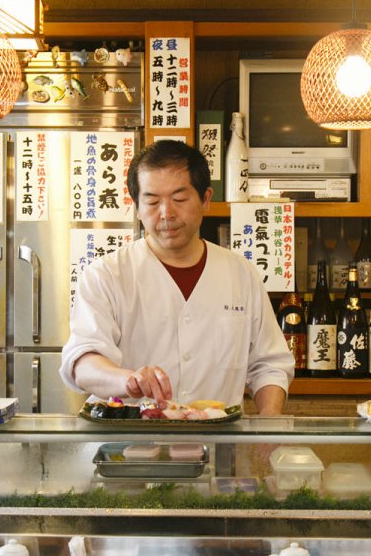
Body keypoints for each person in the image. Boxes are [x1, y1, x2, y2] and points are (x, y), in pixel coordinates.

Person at [60, 139, 294, 413]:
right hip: (126, 447)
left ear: (206, 199)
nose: (166, 213)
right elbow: (83, 363)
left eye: (180, 199)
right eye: (151, 201)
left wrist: (268, 423)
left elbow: (270, 365)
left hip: (218, 447)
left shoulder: (240, 274)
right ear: (136, 206)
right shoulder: (106, 274)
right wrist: (128, 379)